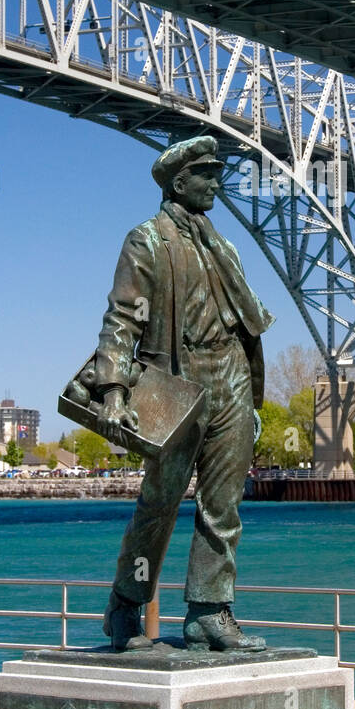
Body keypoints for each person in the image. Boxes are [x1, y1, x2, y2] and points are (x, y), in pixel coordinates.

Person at [93, 134, 274, 652]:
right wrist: (113, 388)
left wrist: (252, 402)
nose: (218, 182)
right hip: (178, 382)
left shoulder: (226, 247)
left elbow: (244, 322)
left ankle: (209, 612)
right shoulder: (146, 239)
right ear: (180, 181)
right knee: (161, 502)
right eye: (209, 173)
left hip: (233, 377)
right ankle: (126, 606)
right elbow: (123, 317)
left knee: (224, 505)